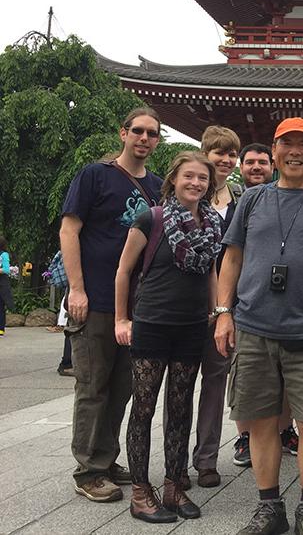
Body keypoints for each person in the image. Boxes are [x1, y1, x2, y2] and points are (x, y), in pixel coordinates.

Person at [213, 117, 303, 535]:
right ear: (274, 152)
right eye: (286, 144)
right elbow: (233, 257)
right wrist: (224, 312)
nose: (295, 151)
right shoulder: (253, 199)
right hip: (255, 327)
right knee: (260, 421)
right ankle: (269, 506)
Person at [59, 107, 163, 502]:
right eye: (137, 130)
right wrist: (77, 288)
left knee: (122, 387)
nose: (144, 138)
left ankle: (106, 456)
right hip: (98, 297)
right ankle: (87, 469)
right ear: (123, 133)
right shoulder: (95, 175)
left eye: (152, 133)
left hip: (138, 305)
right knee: (93, 385)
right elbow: (70, 230)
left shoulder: (156, 186)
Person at [114, 151, 222, 523]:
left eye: (203, 178)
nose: (195, 183)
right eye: (189, 176)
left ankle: (174, 486)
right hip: (153, 323)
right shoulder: (152, 218)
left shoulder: (211, 226)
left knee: (180, 408)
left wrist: (218, 312)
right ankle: (141, 493)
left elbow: (210, 272)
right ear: (174, 179)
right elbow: (124, 272)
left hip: (192, 326)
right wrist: (121, 318)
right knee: (143, 408)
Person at [181, 126, 240, 489]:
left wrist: (225, 307)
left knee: (216, 383)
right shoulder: (182, 198)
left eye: (231, 153)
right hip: (186, 306)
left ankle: (206, 458)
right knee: (181, 384)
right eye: (219, 151)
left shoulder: (242, 198)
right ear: (205, 151)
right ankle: (176, 457)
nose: (226, 159)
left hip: (226, 307)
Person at [232, 142, 291, 468]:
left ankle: (284, 431)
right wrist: (225, 310)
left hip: (296, 315)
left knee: (288, 381)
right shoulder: (242, 200)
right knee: (249, 384)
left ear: (272, 164)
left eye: (261, 162)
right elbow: (232, 255)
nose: (256, 167)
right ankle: (246, 436)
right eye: (250, 162)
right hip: (249, 308)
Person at [0, 235, 13, 336]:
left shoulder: (4, 255)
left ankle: (1, 328)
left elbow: (6, 270)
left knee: (0, 306)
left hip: (2, 283)